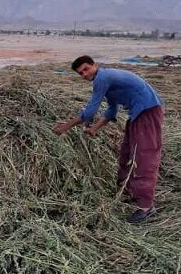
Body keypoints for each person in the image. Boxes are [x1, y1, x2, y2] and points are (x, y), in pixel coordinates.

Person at [53, 56, 164, 223]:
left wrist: (65, 127)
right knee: (127, 153)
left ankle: (146, 207)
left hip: (147, 111)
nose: (84, 74)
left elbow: (90, 111)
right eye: (80, 73)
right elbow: (112, 110)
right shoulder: (107, 80)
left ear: (94, 65)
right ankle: (129, 193)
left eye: (85, 69)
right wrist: (94, 129)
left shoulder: (103, 78)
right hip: (137, 112)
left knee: (144, 157)